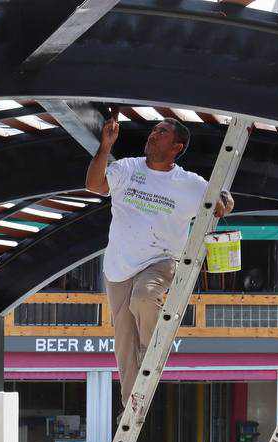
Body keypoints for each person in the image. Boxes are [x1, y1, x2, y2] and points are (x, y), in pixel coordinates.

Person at [87, 113, 234, 400]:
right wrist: (105, 147)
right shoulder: (128, 168)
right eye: (154, 130)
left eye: (162, 132)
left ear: (177, 147)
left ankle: (151, 350)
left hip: (162, 260)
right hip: (118, 267)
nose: (153, 135)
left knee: (144, 297)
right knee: (123, 345)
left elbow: (222, 200)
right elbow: (95, 185)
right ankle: (133, 406)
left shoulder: (189, 183)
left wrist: (225, 203)